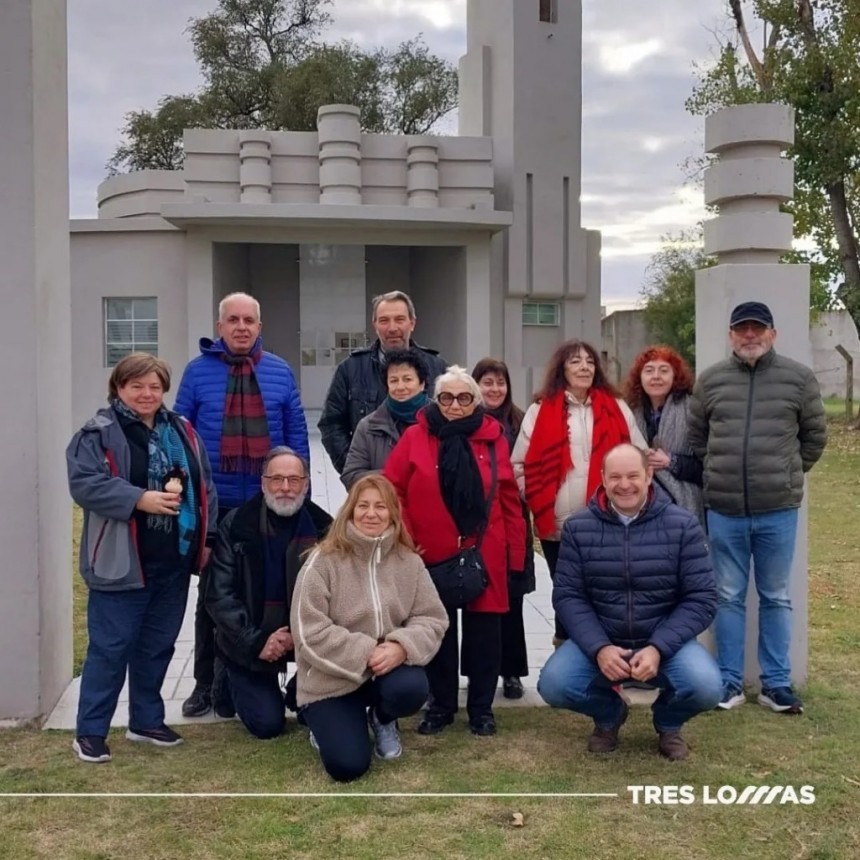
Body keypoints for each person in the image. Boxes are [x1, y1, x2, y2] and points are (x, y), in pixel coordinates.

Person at [67, 353, 218, 763]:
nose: (147, 394)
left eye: (154, 386)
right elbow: (85, 484)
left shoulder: (182, 430)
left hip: (172, 561)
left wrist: (207, 538)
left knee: (157, 646)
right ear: (118, 388)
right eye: (137, 386)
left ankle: (146, 720)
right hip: (122, 562)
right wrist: (140, 499)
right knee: (110, 649)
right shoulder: (96, 433)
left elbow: (204, 486)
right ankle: (91, 732)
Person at [538, 444, 722, 761]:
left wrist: (659, 647)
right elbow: (568, 596)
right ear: (603, 479)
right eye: (616, 477)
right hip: (604, 641)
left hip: (665, 643)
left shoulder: (682, 525)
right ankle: (610, 715)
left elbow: (702, 598)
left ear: (649, 475)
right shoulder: (579, 528)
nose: (625, 485)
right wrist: (599, 647)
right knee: (554, 684)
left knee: (706, 686)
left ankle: (668, 722)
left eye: (633, 475)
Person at [174, 292, 310, 719]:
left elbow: (296, 434)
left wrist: (300, 488)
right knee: (213, 598)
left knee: (267, 589)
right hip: (216, 507)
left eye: (249, 320)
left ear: (259, 324)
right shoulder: (197, 373)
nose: (241, 327)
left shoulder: (280, 371)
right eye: (232, 320)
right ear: (220, 327)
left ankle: (261, 675)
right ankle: (204, 683)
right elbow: (181, 437)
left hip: (266, 503)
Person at [688, 301, 827, 715]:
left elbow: (815, 437)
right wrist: (719, 475)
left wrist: (784, 474)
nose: (750, 336)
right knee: (727, 597)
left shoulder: (799, 379)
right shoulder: (710, 381)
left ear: (772, 334)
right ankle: (728, 682)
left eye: (757, 329)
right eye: (742, 329)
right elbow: (698, 439)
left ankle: (776, 684)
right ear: (731, 335)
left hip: (777, 510)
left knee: (776, 597)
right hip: (725, 510)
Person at [384, 366, 526, 736]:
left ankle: (481, 709)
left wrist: (516, 556)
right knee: (438, 632)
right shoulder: (415, 436)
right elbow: (392, 489)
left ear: (476, 402)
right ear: (436, 400)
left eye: (464, 398)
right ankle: (441, 706)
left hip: (485, 550)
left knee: (484, 635)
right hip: (429, 550)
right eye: (447, 397)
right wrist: (405, 537)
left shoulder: (494, 438)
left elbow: (509, 499)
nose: (455, 405)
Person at [291, 474, 448, 782]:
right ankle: (322, 726)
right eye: (363, 505)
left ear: (392, 512)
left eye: (380, 506)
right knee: (347, 767)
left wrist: (402, 646)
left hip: (385, 673)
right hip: (331, 678)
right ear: (350, 510)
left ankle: (382, 717)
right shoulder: (323, 561)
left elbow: (433, 618)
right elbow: (308, 631)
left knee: (411, 688)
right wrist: (367, 652)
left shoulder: (409, 562)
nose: (371, 513)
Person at [511, 340, 646, 644]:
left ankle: (604, 656)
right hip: (557, 524)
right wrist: (537, 497)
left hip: (609, 520)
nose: (584, 367)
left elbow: (640, 456)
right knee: (566, 591)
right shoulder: (540, 409)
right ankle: (567, 661)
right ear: (562, 369)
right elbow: (518, 465)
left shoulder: (617, 407)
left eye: (589, 361)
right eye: (575, 362)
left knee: (604, 590)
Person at [205, 448, 332, 739]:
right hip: (250, 640)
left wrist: (298, 637)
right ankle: (227, 675)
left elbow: (340, 599)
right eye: (276, 479)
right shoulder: (236, 525)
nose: (285, 488)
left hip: (308, 643)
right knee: (268, 725)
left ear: (306, 484)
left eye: (293, 479)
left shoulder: (326, 530)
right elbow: (219, 596)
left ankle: (299, 687)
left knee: (312, 714)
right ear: (263, 483)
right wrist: (257, 641)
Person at [318, 290, 447, 475]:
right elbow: (331, 425)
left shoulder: (438, 368)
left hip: (427, 486)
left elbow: (453, 422)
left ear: (412, 323)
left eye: (400, 319)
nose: (392, 328)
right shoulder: (350, 369)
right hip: (372, 491)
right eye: (384, 320)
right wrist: (356, 471)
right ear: (375, 325)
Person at [472, 357, 536, 700]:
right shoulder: (466, 420)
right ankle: (476, 670)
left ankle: (512, 672)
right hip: (478, 525)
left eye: (500, 382)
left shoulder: (521, 422)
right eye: (487, 382)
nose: (494, 389)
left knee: (513, 600)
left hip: (513, 519)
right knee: (478, 600)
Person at [623, 345, 703, 521]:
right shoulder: (628, 411)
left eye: (664, 370)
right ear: (640, 377)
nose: (656, 377)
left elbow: (707, 465)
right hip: (639, 503)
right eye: (649, 371)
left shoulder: (694, 409)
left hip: (683, 503)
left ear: (675, 376)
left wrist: (671, 461)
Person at [341, 347, 429, 489]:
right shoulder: (368, 426)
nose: (400, 387)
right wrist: (394, 475)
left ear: (422, 383)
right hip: (385, 508)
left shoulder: (441, 421)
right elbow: (351, 476)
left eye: (407, 379)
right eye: (393, 380)